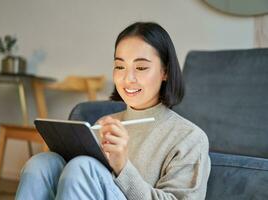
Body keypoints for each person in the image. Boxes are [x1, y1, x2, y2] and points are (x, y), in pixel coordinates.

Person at [16, 22, 211, 200]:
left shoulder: (189, 138)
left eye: (141, 67)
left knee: (83, 168)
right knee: (41, 164)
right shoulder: (105, 124)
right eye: (120, 66)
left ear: (165, 72)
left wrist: (122, 167)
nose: (128, 78)